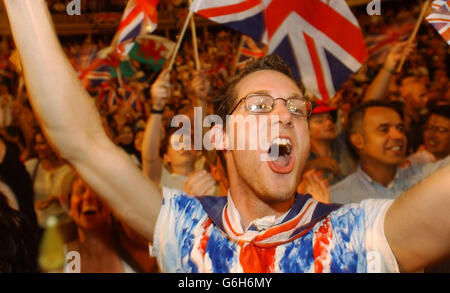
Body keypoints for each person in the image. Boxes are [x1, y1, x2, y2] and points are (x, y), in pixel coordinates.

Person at [6, 0, 450, 273]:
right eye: (260, 106)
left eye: (297, 108)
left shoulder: (354, 233)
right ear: (218, 136)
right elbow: (80, 141)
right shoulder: (184, 227)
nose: (284, 116)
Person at [330, 100, 450, 204]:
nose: (398, 136)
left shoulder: (425, 176)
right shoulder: (338, 197)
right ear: (358, 141)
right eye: (384, 130)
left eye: (400, 129)